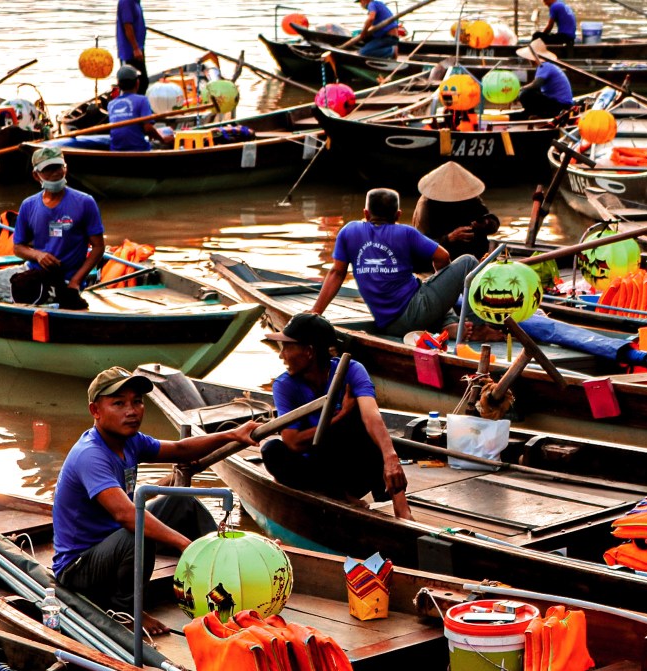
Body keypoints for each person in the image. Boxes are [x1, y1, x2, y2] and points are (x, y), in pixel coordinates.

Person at [52, 368, 260, 634]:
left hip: (112, 543)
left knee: (182, 503)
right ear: (96, 410)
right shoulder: (90, 454)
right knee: (136, 532)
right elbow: (126, 516)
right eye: (119, 403)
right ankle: (125, 611)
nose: (132, 410)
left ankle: (224, 562)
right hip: (79, 568)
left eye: (137, 401)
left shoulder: (130, 441)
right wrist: (184, 543)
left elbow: (180, 450)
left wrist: (232, 435)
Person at [261, 313, 413, 520]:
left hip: (350, 471)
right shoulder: (284, 385)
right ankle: (339, 497)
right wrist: (339, 417)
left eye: (287, 347)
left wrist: (390, 458)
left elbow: (372, 416)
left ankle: (399, 505)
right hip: (314, 475)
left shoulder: (351, 369)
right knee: (272, 450)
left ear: (308, 352)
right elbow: (293, 442)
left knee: (368, 428)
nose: (282, 355)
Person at [310, 188, 500, 340]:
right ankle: (478, 327)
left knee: (427, 286)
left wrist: (315, 311)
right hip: (415, 313)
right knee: (468, 261)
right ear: (398, 215)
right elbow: (443, 257)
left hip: (387, 323)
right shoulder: (406, 233)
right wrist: (443, 280)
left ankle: (448, 325)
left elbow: (336, 273)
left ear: (366, 214)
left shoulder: (348, 231)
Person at [10, 146, 105, 308]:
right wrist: (38, 255)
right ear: (36, 175)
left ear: (65, 168)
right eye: (48, 169)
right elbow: (18, 247)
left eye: (58, 167)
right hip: (34, 273)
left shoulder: (85, 202)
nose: (55, 173)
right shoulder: (28, 205)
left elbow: (98, 247)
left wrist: (76, 281)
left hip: (67, 279)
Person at [412, 162, 500, 261]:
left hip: (475, 254)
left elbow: (492, 223)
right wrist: (449, 238)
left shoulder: (470, 197)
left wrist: (486, 223)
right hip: (445, 258)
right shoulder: (427, 205)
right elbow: (421, 246)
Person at [107, 65, 166, 151]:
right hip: (139, 149)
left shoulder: (111, 104)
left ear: (118, 84)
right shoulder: (142, 100)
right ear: (137, 83)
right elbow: (148, 129)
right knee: (167, 141)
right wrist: (163, 140)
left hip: (116, 150)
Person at [516, 39, 574, 120]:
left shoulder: (544, 66)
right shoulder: (546, 66)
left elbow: (535, 85)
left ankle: (542, 115)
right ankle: (534, 113)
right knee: (529, 93)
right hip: (556, 103)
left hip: (561, 106)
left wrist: (519, 89)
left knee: (525, 94)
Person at [117, 0, 148, 94]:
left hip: (139, 48)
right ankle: (135, 106)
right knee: (137, 84)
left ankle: (140, 105)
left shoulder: (136, 2)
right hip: (131, 52)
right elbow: (127, 26)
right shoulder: (127, 2)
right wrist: (135, 48)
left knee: (143, 82)